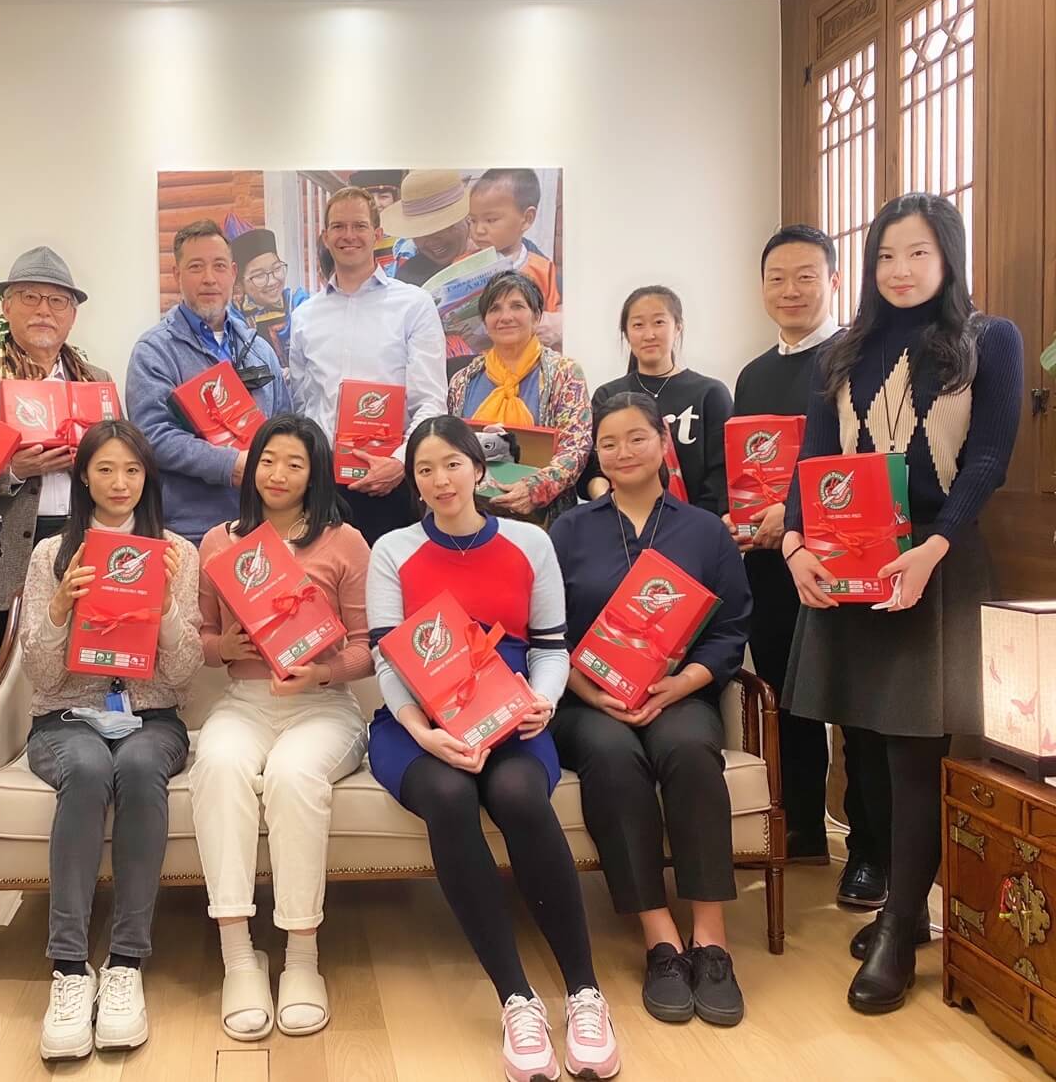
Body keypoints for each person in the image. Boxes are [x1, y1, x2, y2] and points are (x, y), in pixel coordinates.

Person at [782, 193, 1022, 1013]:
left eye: (918, 254)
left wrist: (932, 548)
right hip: (848, 556)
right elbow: (810, 459)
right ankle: (900, 901)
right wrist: (795, 544)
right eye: (887, 256)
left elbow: (989, 458)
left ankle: (900, 925)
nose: (901, 270)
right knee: (866, 734)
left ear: (948, 257)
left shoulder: (989, 340)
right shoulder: (847, 350)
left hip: (934, 557)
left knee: (917, 746)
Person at [365, 415, 620, 1081]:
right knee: (449, 796)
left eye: (452, 463)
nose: (440, 479)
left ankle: (585, 992)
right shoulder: (391, 549)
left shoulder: (530, 541)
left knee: (515, 792)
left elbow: (550, 645)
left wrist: (545, 699)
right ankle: (517, 997)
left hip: (512, 714)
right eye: (425, 468)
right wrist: (423, 730)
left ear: (479, 469)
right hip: (417, 720)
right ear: (414, 481)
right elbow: (389, 660)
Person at [550, 392, 752, 1029]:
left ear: (662, 443)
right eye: (608, 443)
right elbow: (546, 631)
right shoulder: (570, 530)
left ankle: (711, 939)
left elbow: (731, 627)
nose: (621, 453)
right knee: (611, 758)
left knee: (691, 751)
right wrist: (587, 689)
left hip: (677, 693)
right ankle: (660, 938)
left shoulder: (703, 530)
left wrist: (680, 683)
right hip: (589, 696)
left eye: (635, 438)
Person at [17, 420, 204, 1058]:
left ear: (146, 477)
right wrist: (59, 610)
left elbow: (181, 677)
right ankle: (69, 970)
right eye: (105, 469)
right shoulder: (52, 555)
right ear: (83, 477)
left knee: (142, 766)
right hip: (67, 717)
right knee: (92, 768)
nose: (119, 483)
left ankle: (125, 962)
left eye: (131, 470)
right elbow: (41, 675)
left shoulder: (178, 552)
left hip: (151, 716)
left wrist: (166, 612)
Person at [190, 414, 373, 1041]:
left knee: (294, 776)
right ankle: (240, 958)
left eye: (295, 462)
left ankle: (301, 959)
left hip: (324, 708)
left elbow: (366, 647)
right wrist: (225, 645)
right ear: (252, 464)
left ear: (315, 472)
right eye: (269, 459)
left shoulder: (345, 542)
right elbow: (203, 639)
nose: (279, 473)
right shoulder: (219, 542)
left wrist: (321, 672)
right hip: (244, 699)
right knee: (215, 764)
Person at [727, 225, 894, 909]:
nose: (790, 290)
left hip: (842, 560)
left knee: (857, 708)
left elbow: (867, 465)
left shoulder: (860, 358)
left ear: (832, 281)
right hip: (769, 567)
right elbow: (746, 474)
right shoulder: (754, 373)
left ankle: (869, 853)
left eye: (805, 276)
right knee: (784, 699)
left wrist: (793, 518)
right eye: (776, 278)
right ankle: (795, 828)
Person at [0, 246, 114, 667]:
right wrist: (10, 470)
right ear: (6, 306)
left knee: (69, 668)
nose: (44, 310)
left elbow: (124, 465)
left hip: (78, 540)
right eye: (29, 297)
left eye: (58, 300)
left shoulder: (96, 382)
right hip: (0, 551)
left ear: (73, 314)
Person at [288, 186, 447, 545]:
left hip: (390, 488)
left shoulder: (414, 306)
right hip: (322, 489)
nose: (348, 236)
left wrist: (400, 462)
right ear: (325, 236)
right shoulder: (304, 317)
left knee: (390, 596)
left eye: (359, 226)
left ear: (377, 234)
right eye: (338, 227)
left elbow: (432, 402)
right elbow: (303, 405)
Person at [127, 220, 291, 546]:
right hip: (186, 531)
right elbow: (153, 437)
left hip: (259, 523)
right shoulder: (154, 351)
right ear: (176, 275)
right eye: (195, 267)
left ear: (233, 272)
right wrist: (231, 464)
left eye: (218, 266)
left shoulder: (258, 349)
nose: (209, 278)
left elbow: (285, 426)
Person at [448, 271, 592, 519]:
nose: (505, 317)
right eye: (495, 309)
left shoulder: (564, 373)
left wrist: (533, 489)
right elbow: (451, 448)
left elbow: (575, 447)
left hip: (543, 517)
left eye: (517, 306)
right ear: (485, 320)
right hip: (473, 516)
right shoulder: (463, 380)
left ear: (536, 317)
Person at [578, 285, 734, 515]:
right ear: (626, 333)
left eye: (659, 322)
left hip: (696, 526)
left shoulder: (710, 393)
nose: (649, 334)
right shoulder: (608, 396)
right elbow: (592, 470)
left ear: (678, 327)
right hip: (623, 527)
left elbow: (723, 471)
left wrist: (697, 523)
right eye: (638, 325)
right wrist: (615, 510)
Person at [467, 168, 563, 347]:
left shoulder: (542, 269)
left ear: (527, 219)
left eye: (491, 220)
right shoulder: (462, 266)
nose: (478, 230)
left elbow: (547, 323)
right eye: (472, 221)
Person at [230, 227, 309, 365]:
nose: (272, 281)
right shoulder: (234, 316)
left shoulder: (299, 303)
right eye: (260, 275)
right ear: (239, 282)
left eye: (277, 269)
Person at [388, 168, 474, 288]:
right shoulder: (408, 277)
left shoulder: (498, 259)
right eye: (419, 232)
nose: (432, 240)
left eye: (441, 228)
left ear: (467, 217)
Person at [347, 168, 414, 275]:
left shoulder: (408, 236)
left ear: (395, 199)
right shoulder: (354, 238)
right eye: (369, 198)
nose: (377, 204)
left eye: (383, 197)